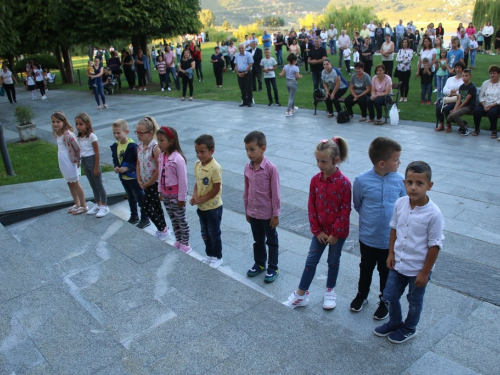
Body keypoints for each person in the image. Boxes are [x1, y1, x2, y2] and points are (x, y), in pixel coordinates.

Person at [374, 161, 444, 344]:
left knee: (414, 300)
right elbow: (394, 228)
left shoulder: (434, 214)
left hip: (418, 269)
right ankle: (395, 321)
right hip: (398, 263)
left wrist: (425, 272)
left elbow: (435, 245)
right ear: (404, 183)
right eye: (410, 182)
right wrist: (391, 253)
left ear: (429, 186)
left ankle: (409, 327)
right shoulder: (400, 203)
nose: (414, 188)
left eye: (420, 183)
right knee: (388, 296)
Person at [283, 137, 351, 310]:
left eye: (324, 161)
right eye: (317, 161)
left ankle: (330, 291)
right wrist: (316, 230)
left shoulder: (344, 183)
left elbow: (345, 210)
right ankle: (301, 294)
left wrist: (335, 233)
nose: (320, 165)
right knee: (311, 261)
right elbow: (311, 206)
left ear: (336, 160)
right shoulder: (315, 180)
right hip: (319, 232)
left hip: (337, 234)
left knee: (333, 261)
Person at [350, 137, 405, 319]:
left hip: (389, 240)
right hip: (368, 238)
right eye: (396, 159)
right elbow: (358, 204)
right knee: (365, 267)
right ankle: (362, 294)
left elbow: (405, 206)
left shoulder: (400, 180)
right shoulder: (361, 180)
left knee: (386, 271)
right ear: (382, 163)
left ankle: (384, 300)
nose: (399, 162)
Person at [244, 131, 281, 283]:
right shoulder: (247, 167)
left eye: (252, 149)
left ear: (263, 148)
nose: (249, 153)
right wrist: (247, 209)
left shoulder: (271, 169)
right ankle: (260, 263)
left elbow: (276, 192)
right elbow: (246, 189)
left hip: (267, 214)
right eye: (246, 149)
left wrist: (276, 214)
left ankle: (273, 267)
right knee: (257, 240)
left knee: (271, 241)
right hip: (253, 212)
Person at [189, 134, 224, 269]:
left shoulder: (215, 167)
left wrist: (201, 199)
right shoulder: (197, 165)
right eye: (197, 151)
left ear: (212, 151)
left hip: (213, 208)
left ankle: (218, 256)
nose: (199, 155)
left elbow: (216, 189)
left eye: (202, 152)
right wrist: (194, 196)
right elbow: (197, 183)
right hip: (202, 207)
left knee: (214, 233)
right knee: (205, 233)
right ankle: (209, 254)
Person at [157, 126, 190, 252]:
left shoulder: (178, 159)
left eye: (162, 140)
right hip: (166, 195)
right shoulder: (161, 156)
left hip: (176, 196)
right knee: (173, 219)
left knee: (181, 220)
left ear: (171, 141)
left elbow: (183, 181)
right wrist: (160, 190)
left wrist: (182, 198)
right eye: (158, 140)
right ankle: (179, 240)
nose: (159, 143)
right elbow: (160, 174)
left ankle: (186, 243)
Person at [110, 119, 149, 228]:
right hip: (124, 178)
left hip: (133, 178)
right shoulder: (115, 146)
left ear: (126, 132)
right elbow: (115, 159)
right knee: (130, 197)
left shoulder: (132, 146)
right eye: (114, 133)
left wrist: (127, 168)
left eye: (118, 132)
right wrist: (116, 166)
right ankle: (134, 216)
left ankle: (145, 218)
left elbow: (138, 162)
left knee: (140, 198)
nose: (116, 135)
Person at [135, 116, 169, 238]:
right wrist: (139, 179)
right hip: (144, 183)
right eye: (137, 132)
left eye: (141, 133)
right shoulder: (139, 147)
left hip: (154, 183)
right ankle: (164, 228)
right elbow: (138, 163)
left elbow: (159, 169)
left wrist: (149, 182)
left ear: (150, 133)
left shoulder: (155, 148)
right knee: (155, 206)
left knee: (147, 207)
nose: (138, 135)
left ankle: (162, 229)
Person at [51, 111, 87, 215]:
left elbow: (77, 148)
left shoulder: (68, 134)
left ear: (64, 122)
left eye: (58, 121)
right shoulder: (57, 133)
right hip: (63, 161)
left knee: (75, 183)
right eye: (53, 122)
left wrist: (78, 161)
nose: (55, 124)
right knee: (69, 183)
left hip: (70, 162)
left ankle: (83, 205)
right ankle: (77, 203)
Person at [75, 112, 109, 218]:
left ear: (87, 124)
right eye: (77, 124)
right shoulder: (80, 137)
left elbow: (97, 152)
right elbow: (82, 151)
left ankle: (104, 205)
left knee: (99, 185)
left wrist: (96, 167)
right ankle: (97, 203)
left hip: (93, 162)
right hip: (85, 162)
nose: (78, 126)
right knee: (93, 185)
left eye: (81, 124)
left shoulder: (92, 136)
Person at [435, 61, 465, 132]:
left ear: (462, 69)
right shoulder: (450, 79)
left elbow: (463, 92)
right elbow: (444, 90)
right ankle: (441, 124)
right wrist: (453, 91)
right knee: (438, 108)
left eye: (459, 68)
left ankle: (449, 125)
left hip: (458, 100)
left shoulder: (463, 80)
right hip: (448, 99)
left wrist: (456, 92)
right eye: (456, 67)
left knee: (447, 109)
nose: (457, 69)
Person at [473, 65, 500, 138]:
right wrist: (484, 105)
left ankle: (494, 130)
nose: (492, 75)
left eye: (494, 73)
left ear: (498, 74)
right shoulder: (486, 83)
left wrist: (491, 106)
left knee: (492, 112)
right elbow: (481, 96)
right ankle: (477, 129)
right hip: (485, 103)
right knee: (477, 111)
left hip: (496, 105)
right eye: (491, 73)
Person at [446, 69, 476, 136]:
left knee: (454, 115)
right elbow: (459, 100)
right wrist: (454, 109)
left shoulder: (472, 87)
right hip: (462, 105)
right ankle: (463, 123)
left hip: (469, 106)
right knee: (449, 118)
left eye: (466, 76)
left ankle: (464, 128)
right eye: (463, 76)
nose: (464, 78)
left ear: (470, 76)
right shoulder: (461, 87)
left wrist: (457, 110)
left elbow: (466, 101)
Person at [395, 38, 413, 102]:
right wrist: (403, 59)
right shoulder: (400, 51)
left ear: (408, 43)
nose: (404, 43)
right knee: (401, 83)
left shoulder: (410, 51)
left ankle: (405, 96)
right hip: (399, 69)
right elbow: (397, 59)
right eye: (403, 42)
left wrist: (402, 60)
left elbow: (409, 59)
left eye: (406, 42)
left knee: (406, 83)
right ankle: (401, 96)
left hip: (407, 69)